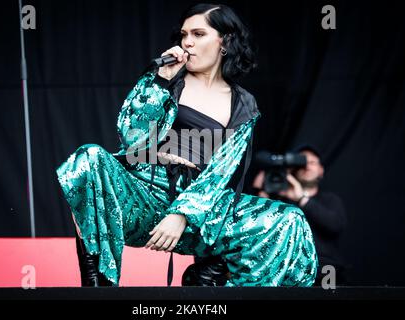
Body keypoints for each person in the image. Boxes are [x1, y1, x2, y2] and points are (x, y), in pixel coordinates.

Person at [56, 3, 317, 287]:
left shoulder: (243, 104)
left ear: (225, 41)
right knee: (89, 158)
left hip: (205, 210)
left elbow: (223, 171)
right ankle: (100, 283)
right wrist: (160, 82)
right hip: (145, 196)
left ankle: (212, 280)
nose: (187, 42)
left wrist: (182, 213)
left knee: (289, 219)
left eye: (198, 34)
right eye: (183, 35)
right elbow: (130, 138)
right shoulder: (166, 81)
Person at [252, 144, 347, 285]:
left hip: (325, 270)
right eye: (302, 161)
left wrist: (302, 199)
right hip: (288, 270)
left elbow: (334, 226)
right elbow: (258, 227)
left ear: (321, 170)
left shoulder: (330, 200)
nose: (307, 165)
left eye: (313, 162)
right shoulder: (282, 203)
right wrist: (261, 187)